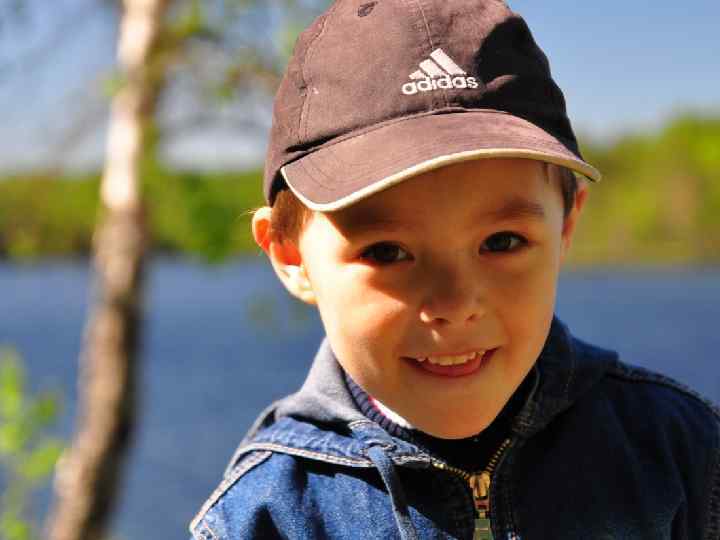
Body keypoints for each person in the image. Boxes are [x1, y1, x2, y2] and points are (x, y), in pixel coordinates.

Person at [189, 1, 720, 538]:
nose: (455, 305)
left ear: (564, 228)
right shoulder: (268, 517)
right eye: (387, 252)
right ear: (291, 256)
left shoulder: (678, 456)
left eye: (502, 242)